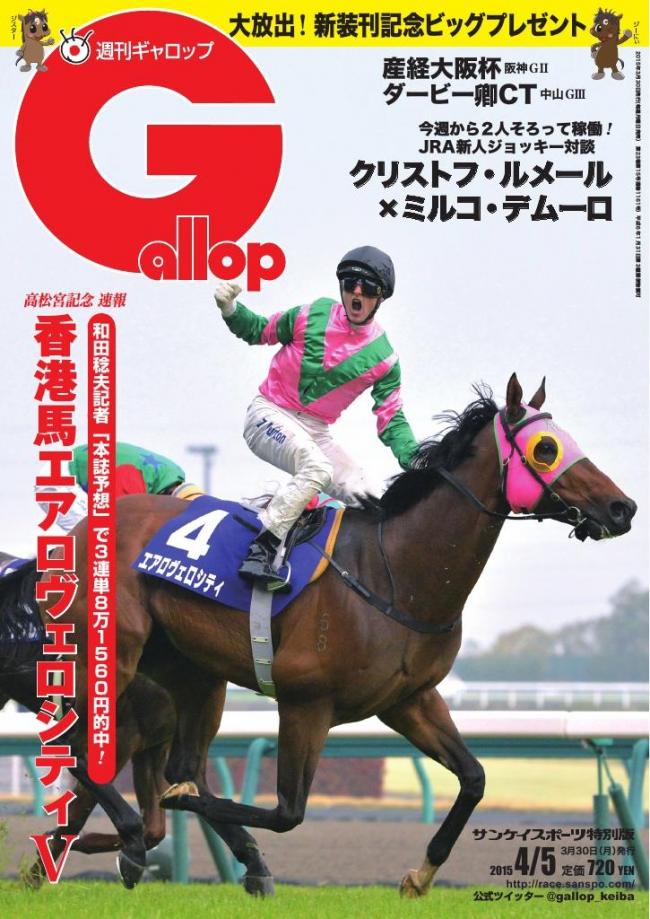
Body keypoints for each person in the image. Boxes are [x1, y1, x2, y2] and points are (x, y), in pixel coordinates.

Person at [214, 245, 418, 587]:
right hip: (268, 413)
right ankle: (261, 550)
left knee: (371, 497)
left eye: (367, 288)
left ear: (380, 297)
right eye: (350, 283)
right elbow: (259, 330)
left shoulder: (385, 358)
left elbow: (392, 418)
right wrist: (231, 309)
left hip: (315, 431)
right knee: (318, 468)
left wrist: (417, 458)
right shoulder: (310, 314)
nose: (357, 292)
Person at [37, 442, 189, 533]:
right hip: (58, 480)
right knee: (99, 537)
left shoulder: (169, 476)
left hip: (76, 471)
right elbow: (122, 521)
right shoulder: (132, 480)